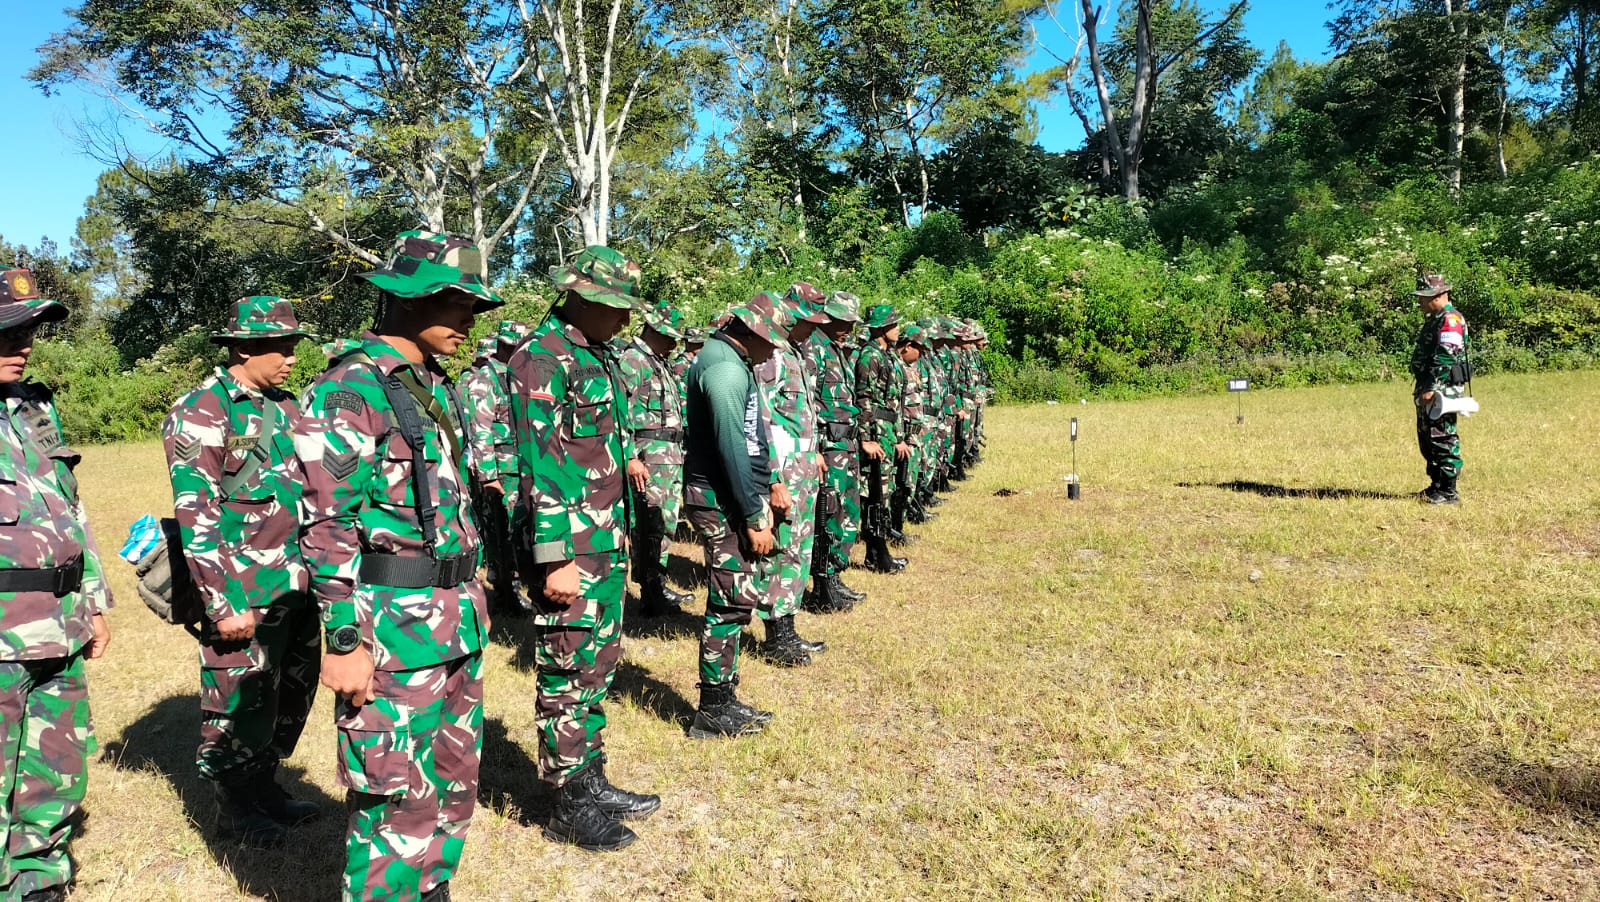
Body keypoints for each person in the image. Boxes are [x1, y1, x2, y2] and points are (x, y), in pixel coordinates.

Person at [295, 231, 498, 901]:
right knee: (392, 798)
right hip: (392, 635)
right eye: (459, 303)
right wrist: (345, 641)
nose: (471, 319)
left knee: (450, 781)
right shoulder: (350, 390)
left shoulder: (429, 385)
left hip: (453, 623)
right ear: (412, 302)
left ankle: (432, 888)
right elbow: (327, 524)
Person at [508, 246, 660, 852]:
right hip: (569, 547)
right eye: (615, 307)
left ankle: (589, 776)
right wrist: (556, 557)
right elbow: (540, 470)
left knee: (597, 664)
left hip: (602, 539)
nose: (625, 320)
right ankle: (566, 802)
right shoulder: (541, 361)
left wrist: (627, 456)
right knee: (567, 667)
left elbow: (591, 441)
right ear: (580, 297)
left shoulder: (592, 353)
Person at [163, 295, 319, 848]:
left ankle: (265, 785)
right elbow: (197, 513)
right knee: (237, 699)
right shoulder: (202, 410)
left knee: (289, 694)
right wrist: (223, 602)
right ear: (245, 347)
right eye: (282, 346)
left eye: (294, 345)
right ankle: (234, 807)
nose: (292, 358)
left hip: (297, 585)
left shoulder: (288, 406)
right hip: (243, 590)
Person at [0, 269, 112, 902]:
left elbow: (72, 510)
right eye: (7, 333)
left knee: (55, 763)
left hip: (58, 618)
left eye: (29, 331)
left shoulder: (36, 409)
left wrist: (94, 602)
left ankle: (38, 877)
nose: (24, 345)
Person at [682, 292, 791, 738]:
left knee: (736, 594)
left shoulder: (728, 357)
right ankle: (713, 709)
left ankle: (723, 695)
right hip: (720, 497)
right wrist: (751, 514)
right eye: (771, 339)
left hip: (726, 493)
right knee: (730, 599)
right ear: (748, 331)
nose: (774, 349)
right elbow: (732, 446)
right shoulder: (725, 368)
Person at [752, 285, 830, 665]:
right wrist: (773, 479)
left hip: (801, 467)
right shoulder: (772, 355)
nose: (814, 329)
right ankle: (776, 635)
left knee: (798, 548)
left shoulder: (795, 353)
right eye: (809, 322)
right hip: (782, 470)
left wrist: (812, 452)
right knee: (781, 549)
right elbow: (761, 420)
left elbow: (797, 414)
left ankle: (789, 626)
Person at [617, 303, 694, 617]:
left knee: (665, 523)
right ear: (653, 329)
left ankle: (656, 584)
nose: (675, 343)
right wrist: (630, 456)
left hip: (669, 457)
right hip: (649, 457)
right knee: (648, 524)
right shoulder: (633, 361)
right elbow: (619, 413)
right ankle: (649, 590)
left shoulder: (658, 361)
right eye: (669, 336)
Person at [458, 321, 529, 615]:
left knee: (519, 531)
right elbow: (481, 432)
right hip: (500, 470)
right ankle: (505, 595)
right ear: (503, 345)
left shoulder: (517, 377)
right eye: (515, 347)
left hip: (520, 467)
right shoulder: (485, 380)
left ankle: (513, 590)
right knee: (501, 534)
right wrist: (489, 477)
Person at [803, 291, 867, 612]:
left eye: (850, 323)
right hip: (827, 445)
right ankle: (823, 585)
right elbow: (809, 402)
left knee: (847, 512)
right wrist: (813, 447)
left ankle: (835, 576)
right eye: (842, 321)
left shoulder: (835, 348)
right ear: (828, 317)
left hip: (845, 442)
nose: (847, 328)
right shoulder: (813, 347)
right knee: (828, 512)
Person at [853, 305, 909, 573]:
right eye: (894, 324)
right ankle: (877, 554)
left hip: (886, 432)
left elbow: (893, 402)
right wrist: (865, 438)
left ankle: (877, 552)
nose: (898, 329)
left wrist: (898, 437)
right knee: (874, 495)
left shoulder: (887, 356)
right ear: (882, 328)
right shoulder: (869, 357)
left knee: (882, 496)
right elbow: (863, 399)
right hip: (875, 433)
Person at [1409, 273, 1470, 504]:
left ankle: (1449, 491)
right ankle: (1436, 485)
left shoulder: (1450, 319)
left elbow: (1446, 354)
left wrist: (1432, 387)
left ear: (1439, 295)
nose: (1420, 302)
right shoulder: (1435, 317)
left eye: (1424, 297)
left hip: (1442, 390)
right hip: (1429, 387)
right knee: (1428, 438)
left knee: (1442, 437)